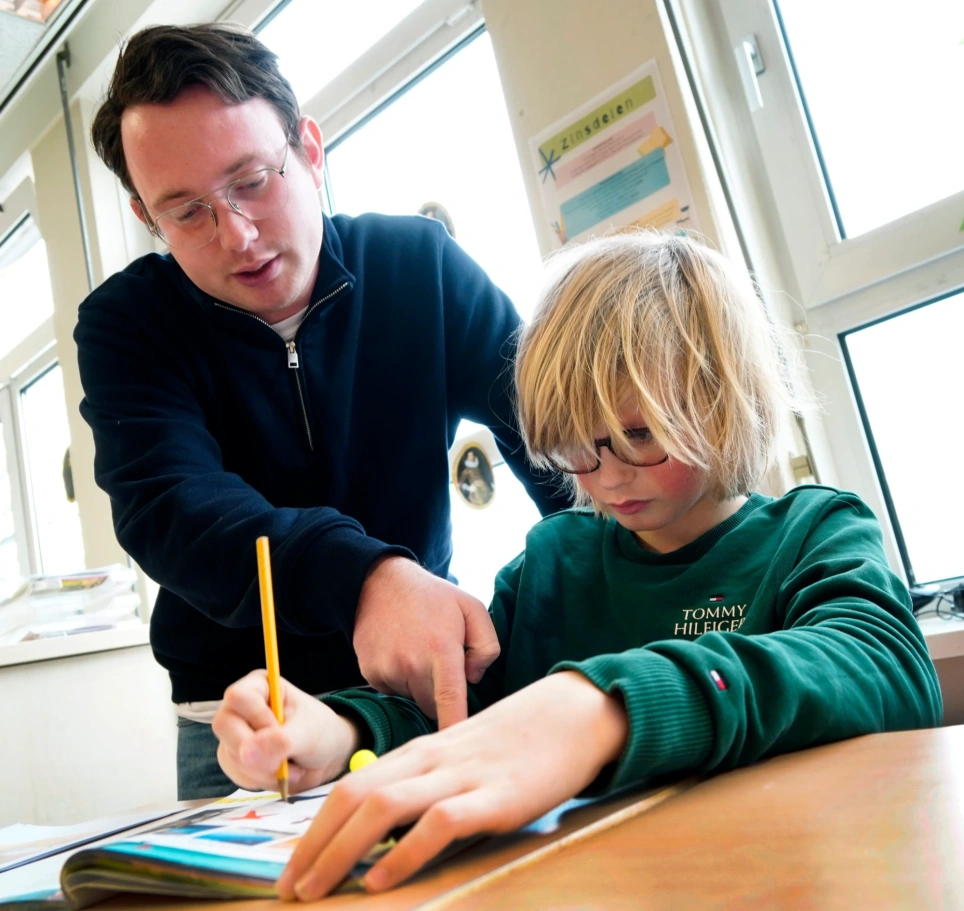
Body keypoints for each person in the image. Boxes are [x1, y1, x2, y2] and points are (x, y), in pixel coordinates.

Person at [212, 231, 942, 900]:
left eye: (639, 434)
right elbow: (452, 712)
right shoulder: (552, 560)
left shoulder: (815, 531)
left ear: (724, 401)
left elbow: (890, 670)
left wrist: (602, 706)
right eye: (577, 446)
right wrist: (338, 729)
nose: (608, 475)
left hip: (773, 878)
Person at [73, 22, 568, 800]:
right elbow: (172, 508)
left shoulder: (419, 267)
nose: (237, 234)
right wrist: (366, 580)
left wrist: (613, 579)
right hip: (243, 726)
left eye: (252, 181)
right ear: (146, 216)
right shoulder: (127, 325)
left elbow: (560, 437)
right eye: (187, 212)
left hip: (409, 701)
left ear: (308, 148)